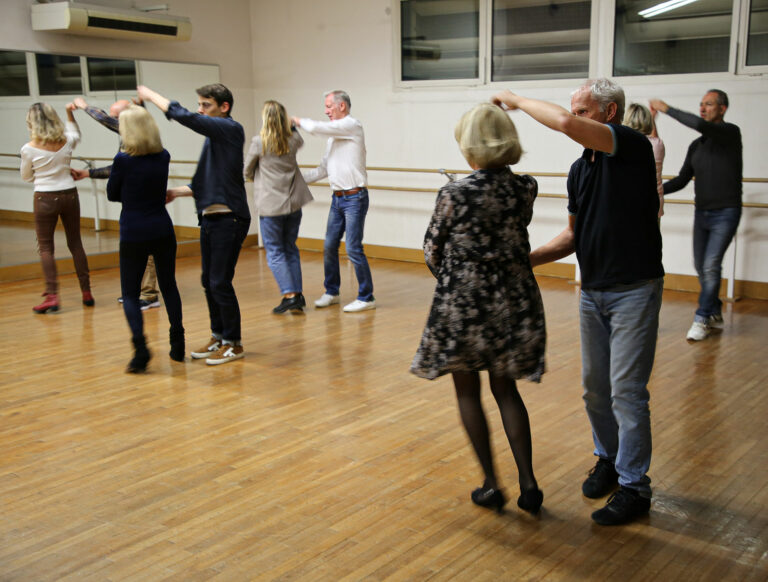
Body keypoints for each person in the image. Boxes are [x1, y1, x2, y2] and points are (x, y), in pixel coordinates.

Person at [492, 78, 664, 526]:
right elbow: (572, 235)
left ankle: (634, 487)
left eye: (585, 111)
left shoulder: (631, 146)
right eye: (576, 110)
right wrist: (522, 261)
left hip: (634, 290)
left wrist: (514, 100)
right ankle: (607, 460)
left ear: (609, 114)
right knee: (595, 389)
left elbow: (565, 123)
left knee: (627, 392)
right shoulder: (578, 170)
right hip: (593, 292)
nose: (575, 117)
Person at [410, 103, 546, 516]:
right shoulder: (526, 188)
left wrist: (457, 277)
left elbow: (432, 249)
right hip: (515, 298)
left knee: (467, 390)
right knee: (506, 389)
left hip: (465, 301)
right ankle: (528, 482)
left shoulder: (454, 193)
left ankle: (491, 483)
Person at [137, 83, 250, 365]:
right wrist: (176, 192)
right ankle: (219, 336)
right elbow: (205, 182)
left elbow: (185, 117)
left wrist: (150, 95)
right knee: (208, 281)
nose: (200, 110)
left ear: (224, 107)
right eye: (199, 104)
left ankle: (234, 343)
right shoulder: (215, 139)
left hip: (230, 217)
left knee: (219, 281)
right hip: (212, 217)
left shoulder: (230, 129)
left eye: (206, 105)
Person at [649, 91, 742, 342]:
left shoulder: (730, 134)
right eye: (701, 104)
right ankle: (714, 311)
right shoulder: (696, 146)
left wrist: (665, 107)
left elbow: (700, 124)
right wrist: (654, 188)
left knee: (711, 265)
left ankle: (701, 318)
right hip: (702, 213)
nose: (703, 108)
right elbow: (681, 180)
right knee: (702, 267)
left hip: (726, 212)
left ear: (722, 109)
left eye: (709, 104)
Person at [106, 105, 184, 373]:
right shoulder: (163, 156)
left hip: (134, 230)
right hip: (162, 227)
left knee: (130, 293)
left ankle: (140, 349)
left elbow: (112, 194)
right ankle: (178, 342)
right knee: (169, 285)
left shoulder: (123, 160)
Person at [70, 97, 161, 311]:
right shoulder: (135, 138)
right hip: (134, 203)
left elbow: (103, 120)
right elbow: (119, 168)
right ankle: (136, 292)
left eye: (117, 117)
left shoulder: (143, 140)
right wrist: (88, 173)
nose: (114, 121)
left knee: (146, 250)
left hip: (146, 205)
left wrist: (84, 106)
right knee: (134, 250)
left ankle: (149, 295)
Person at [292, 90, 375, 312]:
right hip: (337, 199)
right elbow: (322, 170)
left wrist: (297, 121)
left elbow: (319, 128)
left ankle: (367, 297)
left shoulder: (352, 126)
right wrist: (295, 178)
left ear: (342, 106)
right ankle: (332, 292)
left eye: (329, 106)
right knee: (329, 246)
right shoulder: (333, 138)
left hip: (355, 198)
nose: (326, 110)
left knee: (353, 248)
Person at [20, 102, 94, 313]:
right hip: (70, 194)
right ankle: (86, 292)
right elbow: (75, 132)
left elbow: (26, 177)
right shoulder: (67, 141)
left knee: (45, 248)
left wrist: (43, 174)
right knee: (76, 243)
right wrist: (70, 113)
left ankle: (52, 296)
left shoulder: (28, 148)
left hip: (44, 197)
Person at [245, 100, 313, 314]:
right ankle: (297, 294)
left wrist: (254, 175)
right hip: (293, 202)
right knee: (290, 247)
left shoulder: (259, 142)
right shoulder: (293, 140)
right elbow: (299, 139)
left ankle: (290, 295)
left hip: (271, 205)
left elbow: (246, 170)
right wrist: (291, 125)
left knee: (274, 251)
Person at [624, 103, 665, 218]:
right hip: (655, 203)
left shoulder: (624, 144)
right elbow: (653, 138)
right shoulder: (658, 144)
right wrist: (652, 118)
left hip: (632, 203)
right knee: (653, 235)